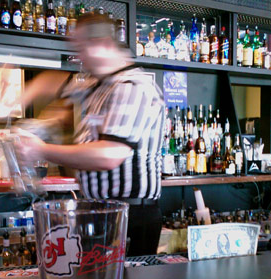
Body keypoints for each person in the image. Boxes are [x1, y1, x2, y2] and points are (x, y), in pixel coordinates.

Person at [14, 12, 165, 256]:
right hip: (102, 211)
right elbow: (53, 82)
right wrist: (19, 96)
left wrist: (40, 150)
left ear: (104, 44)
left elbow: (109, 155)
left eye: (82, 49)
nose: (79, 57)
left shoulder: (133, 87)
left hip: (131, 216)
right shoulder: (98, 85)